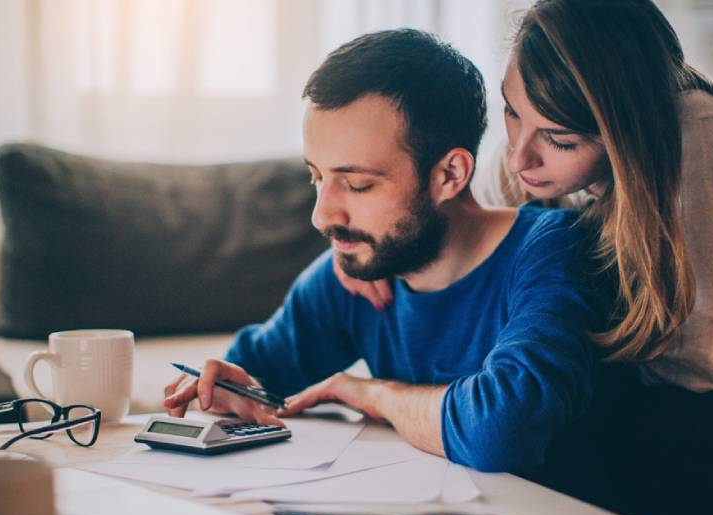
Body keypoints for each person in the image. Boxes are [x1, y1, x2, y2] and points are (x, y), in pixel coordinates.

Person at [337, 0, 713, 515]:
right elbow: (464, 222)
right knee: (541, 394)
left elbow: (699, 363)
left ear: (626, 128)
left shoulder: (699, 136)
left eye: (560, 140)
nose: (520, 158)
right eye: (512, 112)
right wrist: (365, 245)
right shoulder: (535, 147)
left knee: (619, 418)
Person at [163, 28, 599, 480]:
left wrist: (373, 395)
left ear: (449, 174)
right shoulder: (360, 269)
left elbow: (501, 433)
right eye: (316, 177)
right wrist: (230, 385)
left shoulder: (554, 250)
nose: (322, 215)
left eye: (357, 185)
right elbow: (255, 373)